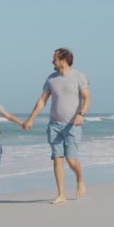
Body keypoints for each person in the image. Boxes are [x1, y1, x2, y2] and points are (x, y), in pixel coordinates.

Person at [22, 48, 91, 204]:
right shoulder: (51, 79)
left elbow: (87, 98)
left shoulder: (79, 76)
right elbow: (42, 101)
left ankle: (80, 178)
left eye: (54, 58)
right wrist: (30, 119)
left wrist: (82, 114)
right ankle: (61, 195)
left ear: (64, 59)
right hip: (54, 125)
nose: (52, 61)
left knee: (71, 160)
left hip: (72, 125)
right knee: (57, 159)